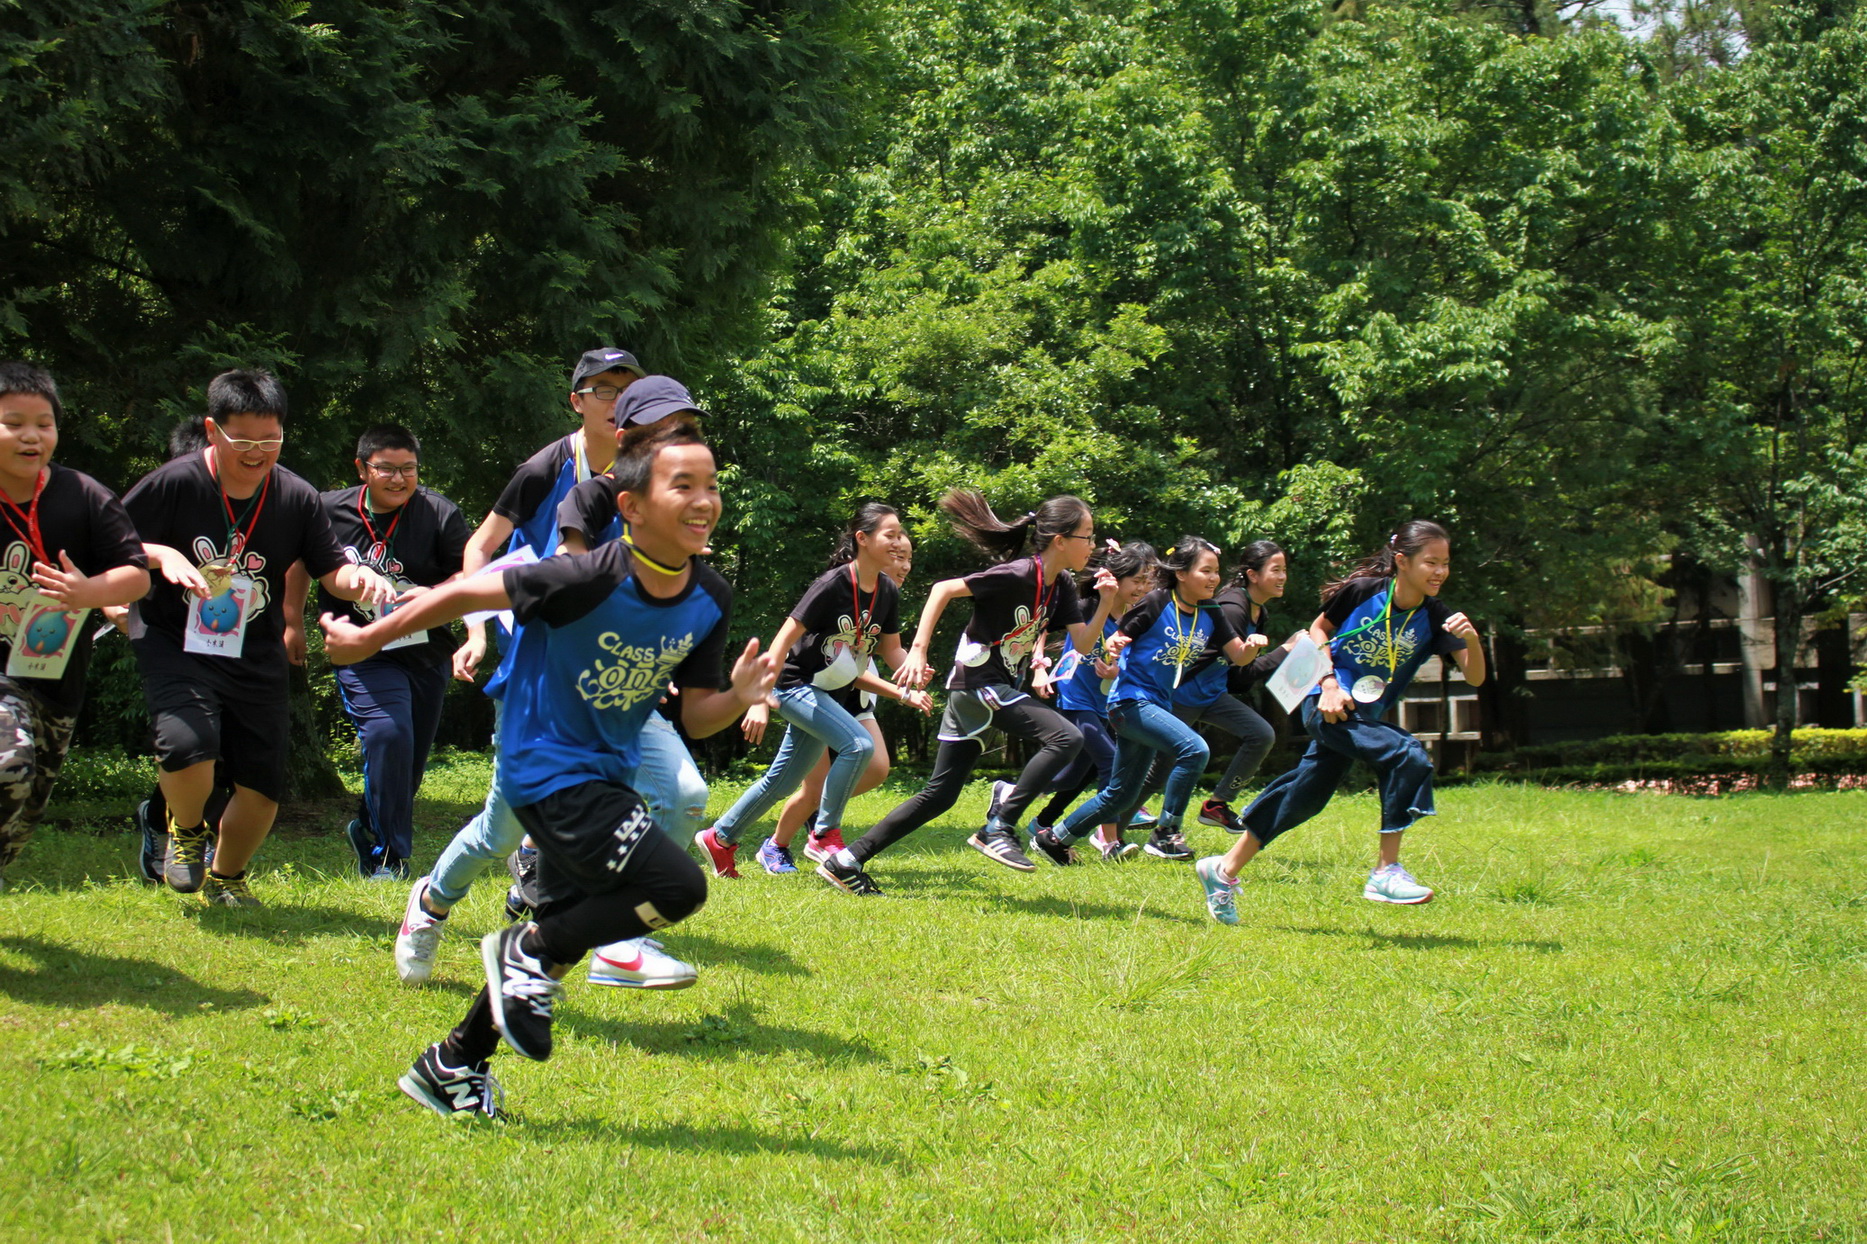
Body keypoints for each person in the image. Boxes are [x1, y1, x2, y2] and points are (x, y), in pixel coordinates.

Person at [322, 415, 777, 1120]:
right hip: (543, 766)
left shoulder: (708, 597)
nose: (704, 500)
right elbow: (466, 592)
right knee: (678, 885)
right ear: (631, 507)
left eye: (711, 485)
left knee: (563, 933)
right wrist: (368, 639)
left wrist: (739, 697)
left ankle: (452, 1066)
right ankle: (520, 952)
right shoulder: (585, 576)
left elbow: (694, 717)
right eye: (682, 485)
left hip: (607, 771)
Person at [393, 370, 707, 991]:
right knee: (502, 830)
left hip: (619, 684)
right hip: (544, 685)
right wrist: (477, 631)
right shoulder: (567, 484)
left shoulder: (679, 505)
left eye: (685, 431)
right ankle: (430, 902)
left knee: (684, 794)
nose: (678, 441)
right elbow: (527, 563)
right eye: (664, 430)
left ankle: (622, 937)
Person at [124, 369, 393, 908]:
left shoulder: (295, 496)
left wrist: (361, 578)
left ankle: (227, 878)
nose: (257, 453)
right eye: (243, 440)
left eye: (270, 440)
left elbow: (331, 569)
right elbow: (112, 541)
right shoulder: (174, 483)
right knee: (186, 743)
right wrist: (162, 554)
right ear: (212, 430)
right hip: (175, 639)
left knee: (263, 783)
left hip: (255, 649)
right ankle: (187, 830)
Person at [815, 491, 1115, 894]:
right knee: (1067, 737)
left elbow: (1083, 643)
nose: (1092, 545)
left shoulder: (1058, 585)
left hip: (991, 689)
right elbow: (942, 590)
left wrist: (1105, 602)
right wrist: (918, 650)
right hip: (979, 683)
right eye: (1087, 535)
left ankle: (846, 860)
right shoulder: (1018, 574)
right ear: (1060, 540)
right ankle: (999, 825)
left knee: (940, 795)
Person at [1195, 521, 1487, 925]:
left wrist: (1471, 639)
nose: (1440, 572)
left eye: (1446, 563)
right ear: (1402, 561)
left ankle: (1222, 869)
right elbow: (1318, 629)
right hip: (1325, 702)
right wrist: (1329, 684)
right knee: (1407, 754)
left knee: (1305, 796)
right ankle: (1386, 871)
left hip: (1361, 716)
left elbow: (1475, 677)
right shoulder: (1364, 591)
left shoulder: (1436, 616)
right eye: (1431, 562)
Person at [694, 503, 924, 877]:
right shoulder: (833, 584)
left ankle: (719, 838)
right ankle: (823, 833)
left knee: (782, 781)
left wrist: (912, 668)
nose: (899, 543)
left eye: (901, 534)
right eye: (891, 534)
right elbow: (783, 639)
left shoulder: (886, 591)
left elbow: (892, 649)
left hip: (827, 694)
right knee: (859, 745)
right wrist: (759, 699)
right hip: (794, 685)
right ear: (863, 539)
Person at [283, 426, 471, 880]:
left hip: (426, 650)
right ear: (362, 468)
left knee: (410, 757)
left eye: (409, 469)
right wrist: (291, 622)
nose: (398, 479)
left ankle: (370, 824)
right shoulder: (328, 509)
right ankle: (389, 855)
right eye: (386, 468)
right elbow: (300, 562)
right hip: (361, 648)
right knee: (388, 734)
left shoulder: (439, 512)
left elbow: (469, 574)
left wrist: (434, 594)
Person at [0, 362, 151, 892]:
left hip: (56, 680)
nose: (31, 436)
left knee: (20, 817)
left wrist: (89, 593)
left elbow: (135, 575)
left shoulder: (84, 494)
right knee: (7, 765)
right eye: (14, 423)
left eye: (43, 424)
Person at [1033, 538, 1269, 864]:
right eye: (1206, 571)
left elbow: (1239, 657)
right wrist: (1114, 652)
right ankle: (1166, 832)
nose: (1214, 578)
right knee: (1195, 749)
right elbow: (1118, 636)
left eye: (1216, 572)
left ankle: (1054, 838)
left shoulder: (1211, 611)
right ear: (1182, 574)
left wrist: (1252, 646)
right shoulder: (1157, 601)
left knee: (1121, 793)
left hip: (1158, 705)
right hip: (1129, 703)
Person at [762, 537, 924, 873]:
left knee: (877, 768)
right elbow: (846, 668)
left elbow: (885, 653)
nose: (906, 566)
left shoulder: (885, 600)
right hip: (818, 693)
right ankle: (776, 846)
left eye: (909, 557)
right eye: (898, 556)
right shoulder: (841, 592)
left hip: (855, 701)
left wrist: (912, 670)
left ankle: (820, 821)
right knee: (812, 788)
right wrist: (900, 692)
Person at [1136, 539, 1293, 833]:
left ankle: (1216, 805)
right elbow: (1243, 671)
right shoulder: (1232, 608)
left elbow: (1240, 675)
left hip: (1211, 696)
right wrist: (1285, 650)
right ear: (1253, 574)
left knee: (1261, 734)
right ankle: (1118, 825)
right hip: (1181, 696)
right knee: (1158, 773)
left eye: (1284, 570)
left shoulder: (1259, 611)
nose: (1283, 577)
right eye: (1276, 570)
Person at [1025, 540, 1157, 861]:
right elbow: (1042, 626)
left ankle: (1017, 799)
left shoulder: (1138, 616)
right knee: (1112, 762)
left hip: (1107, 702)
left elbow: (1136, 660)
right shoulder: (1087, 606)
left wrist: (1116, 671)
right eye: (1137, 581)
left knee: (1074, 776)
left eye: (1147, 582)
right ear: (1117, 579)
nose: (1143, 588)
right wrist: (1039, 666)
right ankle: (1108, 840)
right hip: (1075, 697)